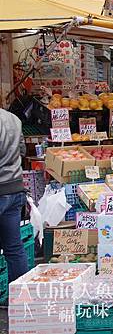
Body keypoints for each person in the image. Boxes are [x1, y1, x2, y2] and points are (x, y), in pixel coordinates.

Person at [0, 109, 28, 284]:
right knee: (14, 248)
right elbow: (22, 151)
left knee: (13, 248)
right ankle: (19, 299)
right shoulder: (13, 119)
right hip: (15, 188)